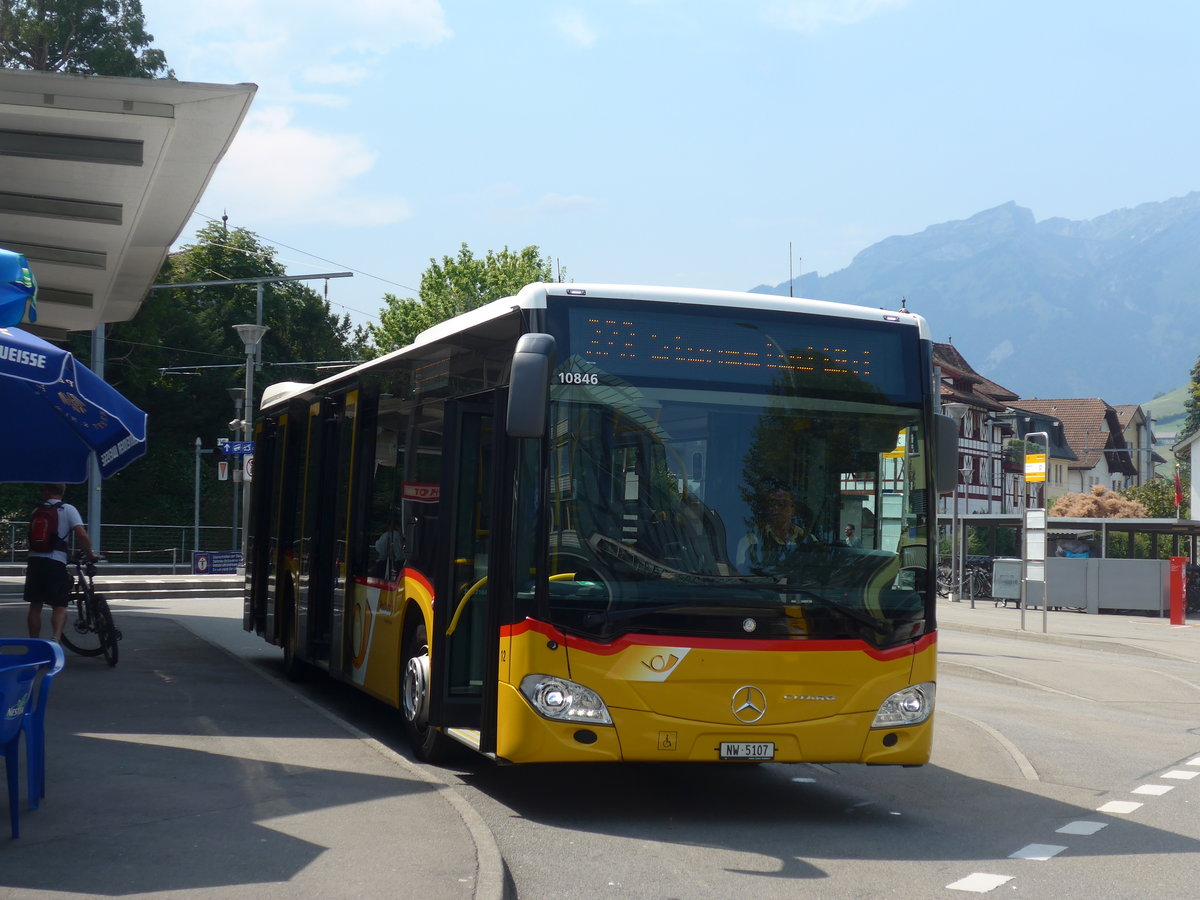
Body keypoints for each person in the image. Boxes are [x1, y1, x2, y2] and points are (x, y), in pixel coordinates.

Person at [25, 483, 96, 641]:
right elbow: (82, 535)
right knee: (59, 605)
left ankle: (34, 643)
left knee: (35, 605)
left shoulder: (37, 511)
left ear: (47, 492)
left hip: (35, 561)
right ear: (62, 492)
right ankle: (56, 640)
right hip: (55, 562)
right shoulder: (68, 509)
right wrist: (90, 555)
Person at [736, 486, 811, 574]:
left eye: (782, 503)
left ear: (793, 509)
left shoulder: (808, 539)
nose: (776, 507)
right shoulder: (750, 541)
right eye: (771, 503)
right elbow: (741, 577)